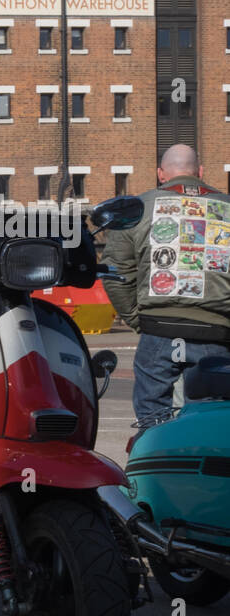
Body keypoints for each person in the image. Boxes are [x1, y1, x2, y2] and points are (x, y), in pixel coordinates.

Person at [101, 144, 230, 427]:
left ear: (161, 174)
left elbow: (115, 271)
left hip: (158, 329)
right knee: (209, 422)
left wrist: (137, 318)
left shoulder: (136, 209)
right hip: (216, 332)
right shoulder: (227, 208)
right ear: (201, 172)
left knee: (152, 417)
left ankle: (154, 462)